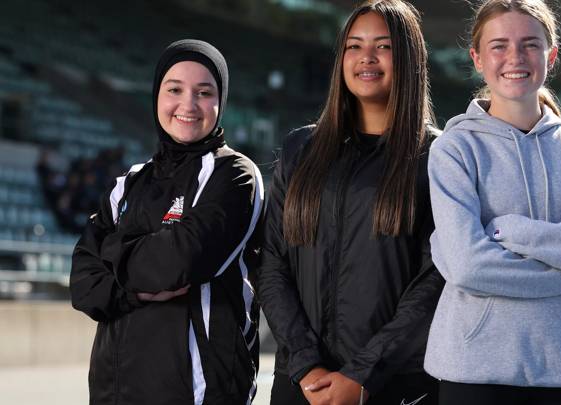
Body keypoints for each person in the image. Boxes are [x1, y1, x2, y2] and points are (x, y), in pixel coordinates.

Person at [423, 1, 561, 404]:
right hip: (473, 371)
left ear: (550, 56)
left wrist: (513, 231)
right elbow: (469, 265)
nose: (515, 58)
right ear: (478, 58)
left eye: (530, 45)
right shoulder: (454, 149)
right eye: (499, 45)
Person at [257, 1, 443, 404]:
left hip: (394, 384)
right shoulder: (299, 149)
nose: (366, 58)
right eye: (354, 46)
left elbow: (435, 279)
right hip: (302, 384)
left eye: (383, 46)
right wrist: (306, 364)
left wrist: (362, 375)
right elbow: (272, 262)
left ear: (409, 58)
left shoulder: (438, 156)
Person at [70, 39, 263, 405]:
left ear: (220, 103)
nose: (188, 104)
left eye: (204, 92)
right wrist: (136, 286)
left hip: (199, 390)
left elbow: (179, 262)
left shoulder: (235, 174)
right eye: (174, 89)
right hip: (114, 390)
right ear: (156, 95)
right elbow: (82, 283)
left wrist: (112, 250)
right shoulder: (129, 182)